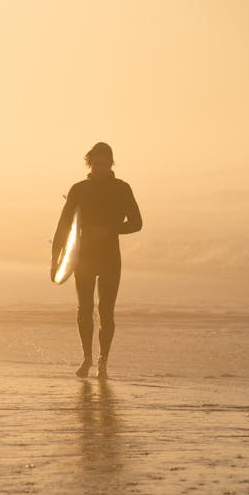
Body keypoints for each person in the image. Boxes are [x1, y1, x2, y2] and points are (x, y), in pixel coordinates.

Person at [51, 142, 142, 379]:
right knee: (84, 309)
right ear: (90, 163)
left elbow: (137, 223)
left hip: (110, 257)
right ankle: (87, 358)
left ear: (111, 163)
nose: (101, 168)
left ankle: (103, 361)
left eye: (105, 163)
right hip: (83, 257)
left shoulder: (122, 189)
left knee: (106, 311)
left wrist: (111, 229)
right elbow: (63, 226)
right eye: (96, 164)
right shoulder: (79, 190)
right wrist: (56, 260)